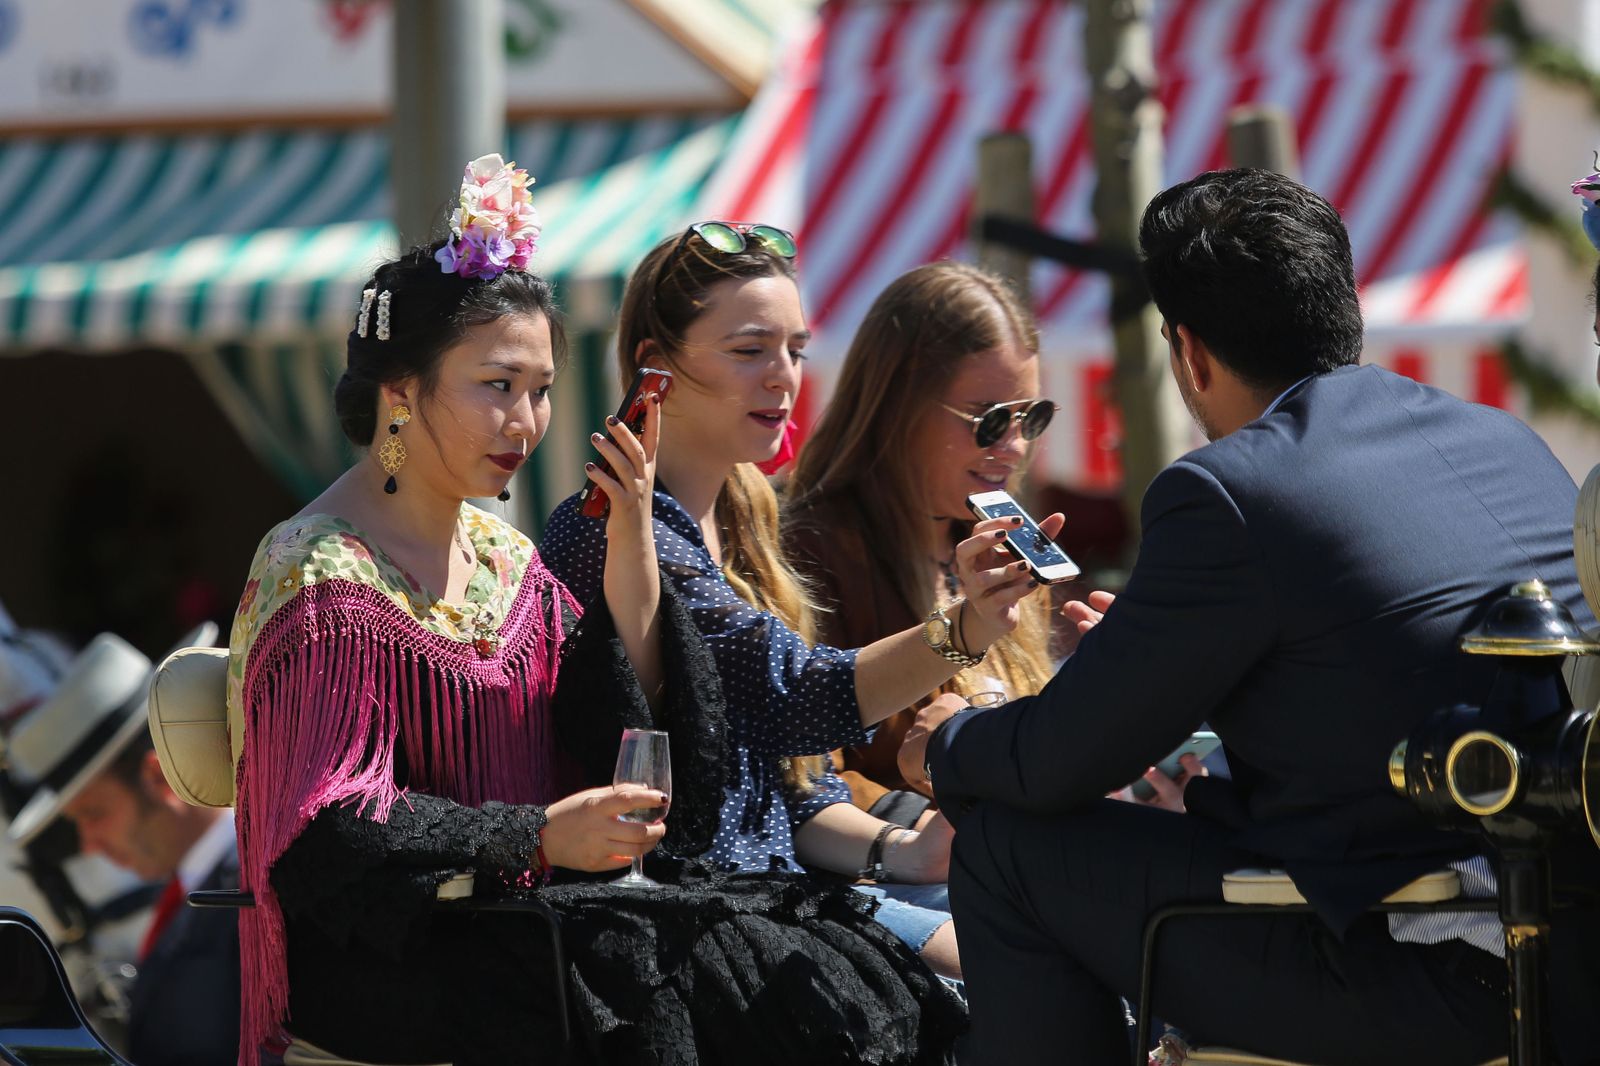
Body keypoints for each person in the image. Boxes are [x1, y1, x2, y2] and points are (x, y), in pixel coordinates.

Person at [228, 158, 962, 1066]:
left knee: (815, 973)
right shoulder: (323, 574)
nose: (527, 422)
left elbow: (623, 734)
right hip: (398, 960)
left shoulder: (508, 560)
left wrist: (630, 554)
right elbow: (326, 830)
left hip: (528, 926)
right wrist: (534, 835)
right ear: (401, 393)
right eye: (497, 386)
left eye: (540, 391)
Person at [899, 168, 1596, 1065]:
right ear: (1343, 305)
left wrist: (946, 744)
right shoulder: (1501, 435)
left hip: (1428, 971)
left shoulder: (1229, 489)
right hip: (1565, 949)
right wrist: (1146, 663)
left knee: (1003, 845)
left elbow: (1052, 766)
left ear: (1186, 352)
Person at [542, 223, 1047, 980]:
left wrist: (903, 850)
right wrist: (964, 630)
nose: (784, 377)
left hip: (786, 891)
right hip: (696, 921)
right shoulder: (612, 528)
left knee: (1065, 947)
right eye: (750, 351)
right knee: (1031, 977)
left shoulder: (748, 515)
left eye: (797, 351)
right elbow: (800, 697)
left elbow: (793, 788)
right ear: (656, 368)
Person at [782, 261, 1059, 822]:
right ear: (897, 407)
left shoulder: (1013, 548)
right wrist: (915, 808)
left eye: (1030, 420)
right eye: (988, 420)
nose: (1014, 446)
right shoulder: (813, 552)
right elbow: (804, 777)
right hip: (904, 885)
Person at [5, 631, 239, 1066]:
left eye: (94, 814)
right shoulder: (204, 902)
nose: (90, 844)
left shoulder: (255, 900)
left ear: (157, 779)